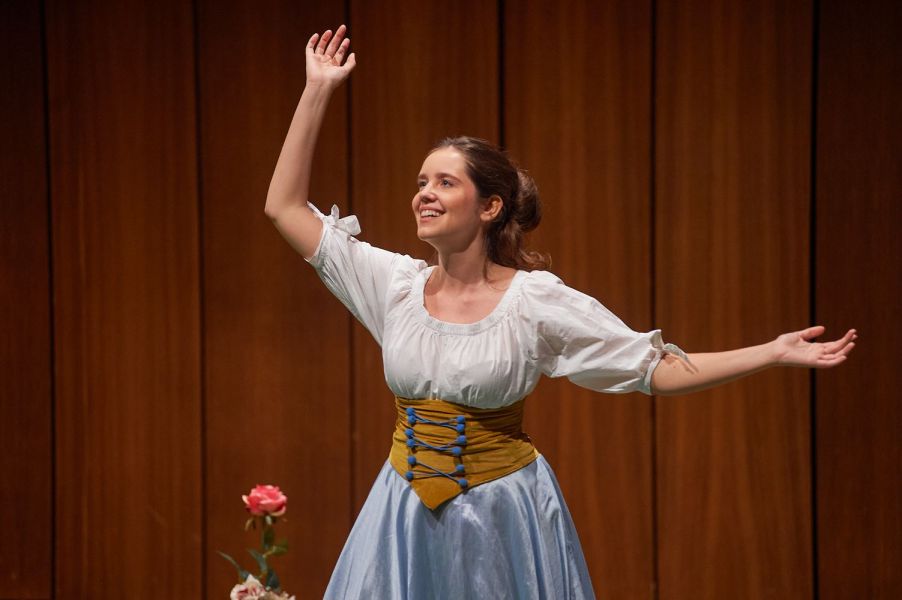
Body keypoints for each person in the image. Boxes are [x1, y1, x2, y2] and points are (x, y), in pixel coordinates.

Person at [263, 25, 857, 599]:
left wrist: (771, 352)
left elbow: (653, 369)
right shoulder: (392, 286)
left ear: (490, 206)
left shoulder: (534, 302)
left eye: (445, 183)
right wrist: (317, 90)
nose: (425, 193)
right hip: (403, 518)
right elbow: (284, 207)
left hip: (502, 517)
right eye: (422, 181)